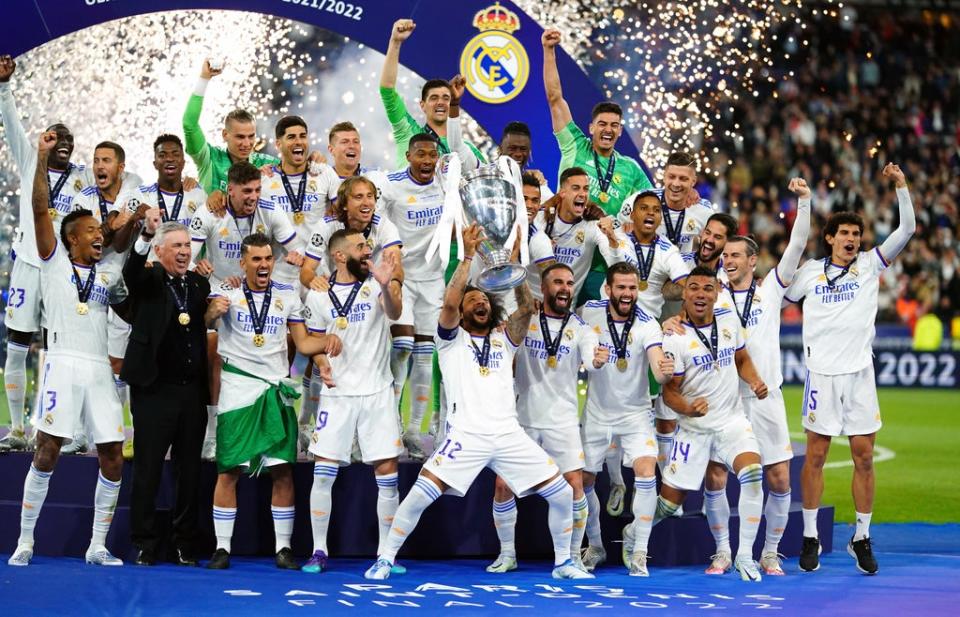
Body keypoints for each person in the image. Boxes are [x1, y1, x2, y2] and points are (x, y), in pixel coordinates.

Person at [364, 224, 591, 580]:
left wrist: (514, 265)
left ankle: (563, 562)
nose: (480, 303)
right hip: (465, 437)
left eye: (484, 300)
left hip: (508, 435)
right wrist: (468, 257)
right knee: (421, 495)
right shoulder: (450, 341)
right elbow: (451, 301)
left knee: (563, 493)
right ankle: (385, 558)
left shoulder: (505, 340)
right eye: (474, 301)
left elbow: (526, 310)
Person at [786, 163, 916, 575]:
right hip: (821, 374)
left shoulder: (870, 265)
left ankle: (861, 535)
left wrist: (901, 187)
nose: (852, 240)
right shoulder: (808, 273)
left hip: (860, 373)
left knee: (863, 457)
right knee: (817, 455)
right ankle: (810, 536)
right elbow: (780, 294)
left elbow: (907, 230)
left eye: (856, 235)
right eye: (844, 234)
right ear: (829, 239)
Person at [8, 132, 129, 566]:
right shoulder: (53, 258)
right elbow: (41, 207)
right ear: (72, 239)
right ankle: (26, 540)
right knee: (48, 449)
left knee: (113, 454)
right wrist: (41, 157)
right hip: (60, 364)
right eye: (93, 231)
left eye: (100, 230)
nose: (100, 236)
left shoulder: (107, 276)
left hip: (98, 370)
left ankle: (97, 545)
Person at [203, 233, 335, 570]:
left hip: (274, 388)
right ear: (243, 262)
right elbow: (203, 325)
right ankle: (222, 548)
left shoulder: (287, 296)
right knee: (229, 469)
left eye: (268, 259)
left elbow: (302, 343)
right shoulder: (227, 293)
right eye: (257, 259)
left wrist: (327, 341)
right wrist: (210, 313)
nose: (263, 265)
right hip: (237, 391)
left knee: (282, 472)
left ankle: (284, 548)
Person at [487, 263, 606, 574]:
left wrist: (595, 360)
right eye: (558, 282)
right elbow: (504, 347)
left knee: (574, 488)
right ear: (544, 287)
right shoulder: (526, 320)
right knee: (502, 486)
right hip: (523, 420)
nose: (565, 288)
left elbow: (592, 361)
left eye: (569, 282)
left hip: (563, 422)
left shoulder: (581, 328)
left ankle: (571, 557)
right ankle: (507, 554)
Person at [656, 265, 769, 582]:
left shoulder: (730, 321)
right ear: (686, 292)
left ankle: (743, 556)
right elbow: (669, 395)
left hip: (733, 422)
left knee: (753, 475)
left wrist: (756, 381)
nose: (701, 294)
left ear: (716, 292)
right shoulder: (675, 337)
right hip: (695, 428)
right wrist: (689, 409)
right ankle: (634, 530)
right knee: (668, 504)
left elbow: (742, 359)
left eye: (708, 288)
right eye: (694, 288)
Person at [301, 229, 403, 573]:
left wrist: (387, 284)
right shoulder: (317, 294)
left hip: (377, 391)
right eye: (360, 246)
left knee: (387, 474)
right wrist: (322, 364)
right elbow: (314, 341)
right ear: (340, 256)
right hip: (338, 394)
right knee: (323, 473)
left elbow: (394, 312)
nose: (368, 249)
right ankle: (319, 550)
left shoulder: (376, 283)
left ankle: (385, 553)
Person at [0, 56, 88, 452]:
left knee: (58, 351)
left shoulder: (83, 178)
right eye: (56, 137)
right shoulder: (30, 161)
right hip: (26, 266)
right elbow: (12, 125)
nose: (63, 142)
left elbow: (116, 181)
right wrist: (3, 87)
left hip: (60, 274)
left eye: (69, 138)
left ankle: (51, 427)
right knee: (17, 344)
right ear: (45, 141)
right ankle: (17, 428)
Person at [189, 161, 304, 460]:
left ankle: (290, 418)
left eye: (256, 190)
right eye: (246, 192)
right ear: (230, 190)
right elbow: (186, 260)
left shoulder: (270, 209)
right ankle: (212, 432)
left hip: (260, 293)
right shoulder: (209, 212)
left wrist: (293, 256)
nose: (252, 197)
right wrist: (199, 267)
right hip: (220, 290)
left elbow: (297, 249)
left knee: (290, 340)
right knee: (213, 347)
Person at [122, 209, 210, 567]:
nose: (185, 251)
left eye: (188, 245)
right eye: (176, 245)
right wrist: (145, 234)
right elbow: (130, 273)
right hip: (154, 390)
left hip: (191, 393)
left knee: (189, 472)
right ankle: (144, 542)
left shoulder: (199, 284)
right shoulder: (151, 278)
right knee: (148, 469)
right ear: (159, 251)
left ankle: (184, 544)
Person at [542, 28, 653, 304]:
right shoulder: (575, 145)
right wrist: (549, 51)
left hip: (603, 264)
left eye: (614, 125)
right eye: (602, 124)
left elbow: (652, 205)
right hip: (566, 250)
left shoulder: (631, 168)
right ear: (591, 127)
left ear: (619, 131)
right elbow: (555, 98)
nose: (608, 129)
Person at [580, 262, 674, 575]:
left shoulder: (648, 323)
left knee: (647, 472)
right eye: (621, 287)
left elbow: (657, 362)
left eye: (632, 288)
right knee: (583, 482)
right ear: (608, 289)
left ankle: (639, 550)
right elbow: (566, 326)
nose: (627, 294)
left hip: (635, 413)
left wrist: (662, 372)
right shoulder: (589, 311)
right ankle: (595, 546)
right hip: (597, 413)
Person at [377, 133, 446, 460]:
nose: (428, 160)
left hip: (432, 280)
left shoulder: (445, 183)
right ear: (408, 156)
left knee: (424, 354)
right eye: (421, 154)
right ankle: (388, 423)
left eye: (432, 154)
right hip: (402, 276)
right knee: (403, 347)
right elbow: (368, 203)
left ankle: (415, 431)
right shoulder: (391, 184)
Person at [379, 19, 484, 168]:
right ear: (422, 105)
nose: (440, 102)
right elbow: (387, 89)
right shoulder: (409, 133)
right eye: (434, 98)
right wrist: (395, 42)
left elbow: (485, 180)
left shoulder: (467, 148)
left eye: (446, 98)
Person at [182, 59, 279, 194]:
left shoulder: (266, 163)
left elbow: (298, 168)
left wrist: (315, 159)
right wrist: (204, 79)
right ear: (225, 135)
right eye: (240, 137)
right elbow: (189, 124)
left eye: (251, 136)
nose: (246, 143)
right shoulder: (210, 159)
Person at [528, 167, 624, 301]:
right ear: (562, 192)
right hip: (531, 303)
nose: (582, 194)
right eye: (575, 188)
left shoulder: (594, 226)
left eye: (585, 189)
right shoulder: (540, 217)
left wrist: (612, 239)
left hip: (563, 308)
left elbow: (618, 267)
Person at [258, 116, 327, 288]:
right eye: (291, 137)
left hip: (319, 274)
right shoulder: (263, 181)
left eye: (303, 136)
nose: (299, 141)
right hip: (279, 277)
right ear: (278, 144)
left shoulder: (323, 174)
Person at [138, 134, 207, 231]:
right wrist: (133, 219)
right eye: (162, 155)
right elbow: (120, 244)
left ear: (183, 163)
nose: (169, 159)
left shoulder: (197, 193)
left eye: (176, 154)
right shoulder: (142, 195)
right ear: (155, 164)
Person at [653, 152, 717, 254]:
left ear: (693, 181)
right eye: (672, 177)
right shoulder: (642, 201)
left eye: (683, 179)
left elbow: (718, 246)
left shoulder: (704, 210)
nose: (676, 184)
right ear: (664, 176)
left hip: (683, 269)